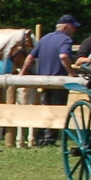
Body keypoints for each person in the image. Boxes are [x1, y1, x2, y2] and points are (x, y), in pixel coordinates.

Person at [24, 14, 76, 145]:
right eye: (73, 27)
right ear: (65, 27)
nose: (74, 30)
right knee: (57, 109)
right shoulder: (66, 40)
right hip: (58, 81)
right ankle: (49, 139)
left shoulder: (44, 38)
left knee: (44, 108)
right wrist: (71, 73)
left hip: (43, 80)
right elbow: (64, 56)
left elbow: (30, 57)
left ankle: (39, 138)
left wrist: (22, 74)